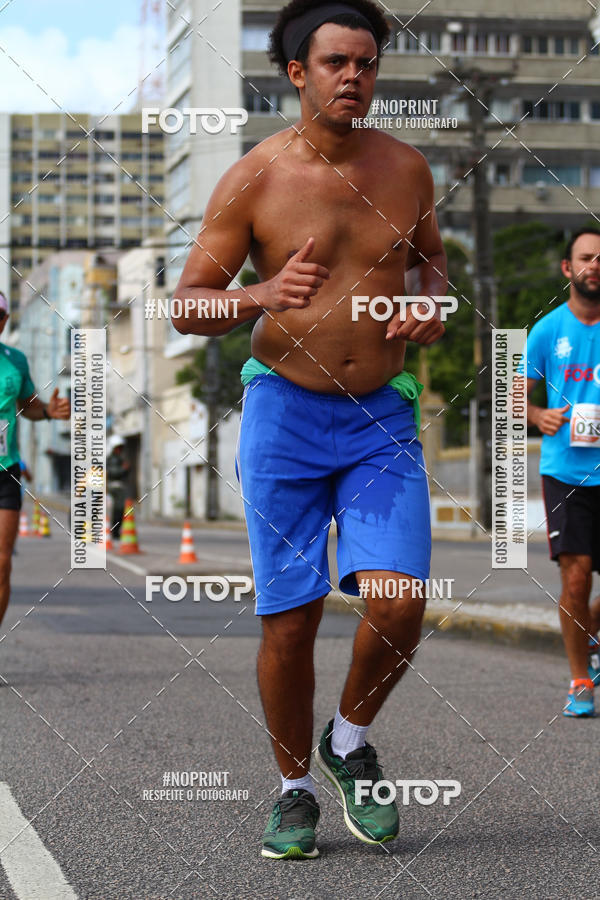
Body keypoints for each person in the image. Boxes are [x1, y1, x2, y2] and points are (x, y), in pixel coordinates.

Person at [173, 0, 447, 859]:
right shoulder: (254, 178)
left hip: (381, 417)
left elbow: (432, 261)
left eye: (366, 63)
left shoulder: (407, 168)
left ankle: (349, 741)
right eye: (336, 62)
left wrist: (432, 304)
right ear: (298, 73)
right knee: (289, 623)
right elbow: (188, 305)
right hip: (284, 412)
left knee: (400, 603)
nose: (354, 77)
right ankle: (293, 793)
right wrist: (257, 296)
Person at [525, 227, 600, 717]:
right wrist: (538, 416)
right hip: (566, 473)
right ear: (568, 270)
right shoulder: (547, 330)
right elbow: (513, 398)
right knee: (576, 580)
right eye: (587, 258)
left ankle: (588, 636)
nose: (596, 265)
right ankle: (580, 680)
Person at [0, 291, 70, 628]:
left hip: (6, 469)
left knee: (1, 565)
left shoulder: (15, 359)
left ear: (4, 321)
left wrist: (49, 412)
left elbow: (29, 406)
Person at [106, 435, 130, 540]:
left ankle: (115, 531)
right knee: (114, 510)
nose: (119, 450)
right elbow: (112, 472)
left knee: (120, 511)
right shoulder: (111, 459)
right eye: (118, 447)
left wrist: (126, 469)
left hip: (119, 488)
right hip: (112, 487)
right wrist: (123, 469)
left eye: (120, 447)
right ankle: (111, 531)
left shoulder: (119, 458)